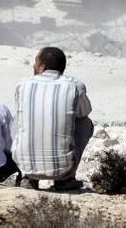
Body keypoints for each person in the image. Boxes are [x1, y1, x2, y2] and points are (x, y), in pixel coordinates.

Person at [12, 47, 94, 191]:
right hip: (64, 168)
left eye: (35, 62)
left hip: (25, 165)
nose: (33, 65)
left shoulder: (22, 85)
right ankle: (66, 180)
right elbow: (84, 112)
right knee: (85, 122)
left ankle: (28, 178)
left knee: (18, 119)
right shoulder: (75, 86)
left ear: (42, 67)